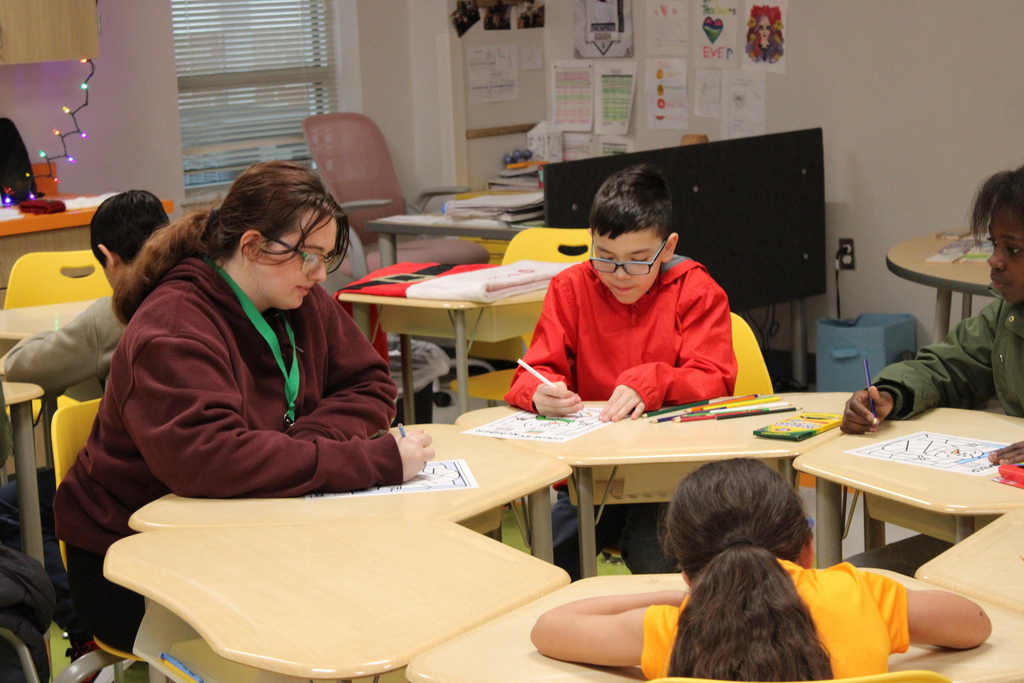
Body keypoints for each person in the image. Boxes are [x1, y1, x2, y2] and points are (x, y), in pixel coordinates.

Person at [53, 161, 435, 653]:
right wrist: (371, 461)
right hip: (137, 561)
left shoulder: (301, 297)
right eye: (309, 256)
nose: (319, 274)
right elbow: (210, 462)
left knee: (389, 601)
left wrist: (293, 450)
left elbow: (370, 384)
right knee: (330, 625)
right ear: (253, 246)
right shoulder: (172, 326)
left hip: (256, 530)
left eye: (324, 258)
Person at [531, 459, 991, 681]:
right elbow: (974, 625)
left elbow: (551, 628)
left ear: (687, 572)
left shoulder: (673, 629)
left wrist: (682, 596)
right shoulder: (860, 596)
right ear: (808, 551)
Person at [504, 164, 737, 579]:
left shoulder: (697, 291)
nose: (619, 275)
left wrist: (653, 381)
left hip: (671, 475)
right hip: (592, 474)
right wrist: (538, 393)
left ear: (667, 248)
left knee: (655, 557)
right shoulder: (571, 288)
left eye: (637, 261)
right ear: (591, 240)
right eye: (605, 258)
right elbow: (533, 370)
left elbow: (714, 377)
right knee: (544, 563)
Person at [0, 190, 168, 664]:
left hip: (131, 492)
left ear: (106, 257)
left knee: (15, 506)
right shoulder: (203, 291)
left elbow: (20, 367)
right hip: (183, 484)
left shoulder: (113, 313)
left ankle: (80, 628)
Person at [842, 164, 1024, 466]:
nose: (995, 260)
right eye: (994, 244)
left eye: (1014, 250)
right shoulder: (1007, 317)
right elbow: (947, 368)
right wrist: (889, 394)